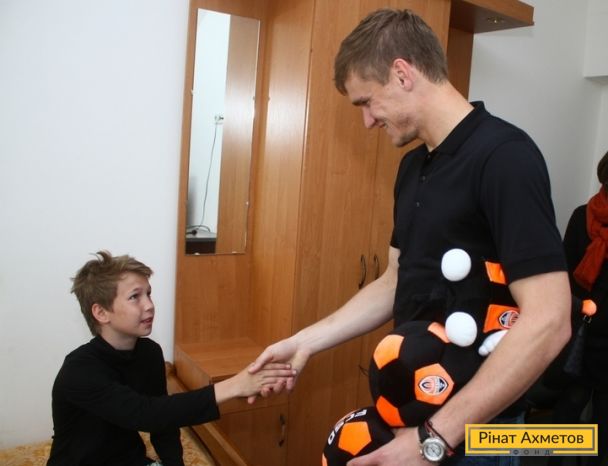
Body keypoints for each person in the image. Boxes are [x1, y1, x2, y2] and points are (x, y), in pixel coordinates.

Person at [248, 8, 571, 466]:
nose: (366, 121)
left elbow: (550, 320)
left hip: (476, 434)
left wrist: (432, 441)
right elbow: (396, 280)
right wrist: (306, 341)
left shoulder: (504, 157)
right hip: (412, 418)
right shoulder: (413, 166)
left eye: (366, 102)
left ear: (402, 73)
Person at [47, 250, 294, 466]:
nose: (149, 305)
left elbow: (163, 425)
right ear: (101, 312)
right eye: (135, 297)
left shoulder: (149, 353)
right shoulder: (79, 371)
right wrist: (235, 385)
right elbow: (146, 414)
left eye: (149, 294)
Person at [548, 150, 608, 466]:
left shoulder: (584, 214)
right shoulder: (581, 216)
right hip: (584, 333)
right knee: (580, 408)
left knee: (575, 407)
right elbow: (565, 273)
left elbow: (565, 273)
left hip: (583, 328)